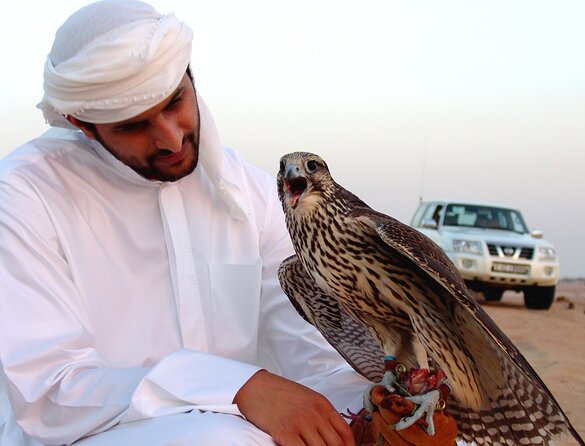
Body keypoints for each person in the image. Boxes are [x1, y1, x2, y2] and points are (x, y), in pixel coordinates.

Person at [0, 1, 370, 444]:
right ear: (83, 124)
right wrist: (236, 388)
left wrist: (375, 398)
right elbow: (50, 393)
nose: (171, 137)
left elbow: (313, 354)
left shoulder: (247, 190)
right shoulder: (25, 194)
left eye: (175, 101)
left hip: (243, 425)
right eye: (135, 126)